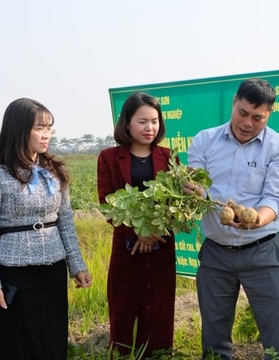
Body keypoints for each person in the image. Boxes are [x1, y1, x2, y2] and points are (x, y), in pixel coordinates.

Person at [184, 78, 279, 359]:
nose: (248, 123)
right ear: (234, 103)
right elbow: (194, 183)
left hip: (263, 252)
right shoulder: (204, 140)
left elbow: (274, 200)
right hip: (215, 254)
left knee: (278, 340)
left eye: (257, 118)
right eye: (243, 113)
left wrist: (255, 219)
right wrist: (193, 190)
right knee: (214, 338)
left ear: (269, 114)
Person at [0, 98, 92, 360]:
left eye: (49, 127)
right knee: (18, 342)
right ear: (19, 129)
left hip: (53, 268)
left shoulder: (54, 171)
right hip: (14, 273)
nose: (46, 134)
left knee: (53, 338)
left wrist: (78, 265)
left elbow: (66, 222)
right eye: (40, 127)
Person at [97, 92, 176, 357]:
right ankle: (123, 353)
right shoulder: (108, 158)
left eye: (154, 121)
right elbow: (108, 206)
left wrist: (153, 234)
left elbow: (176, 204)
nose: (150, 127)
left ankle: (159, 353)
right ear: (127, 123)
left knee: (160, 305)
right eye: (143, 121)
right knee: (125, 304)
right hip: (127, 246)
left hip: (162, 245)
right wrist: (139, 234)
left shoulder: (169, 157)